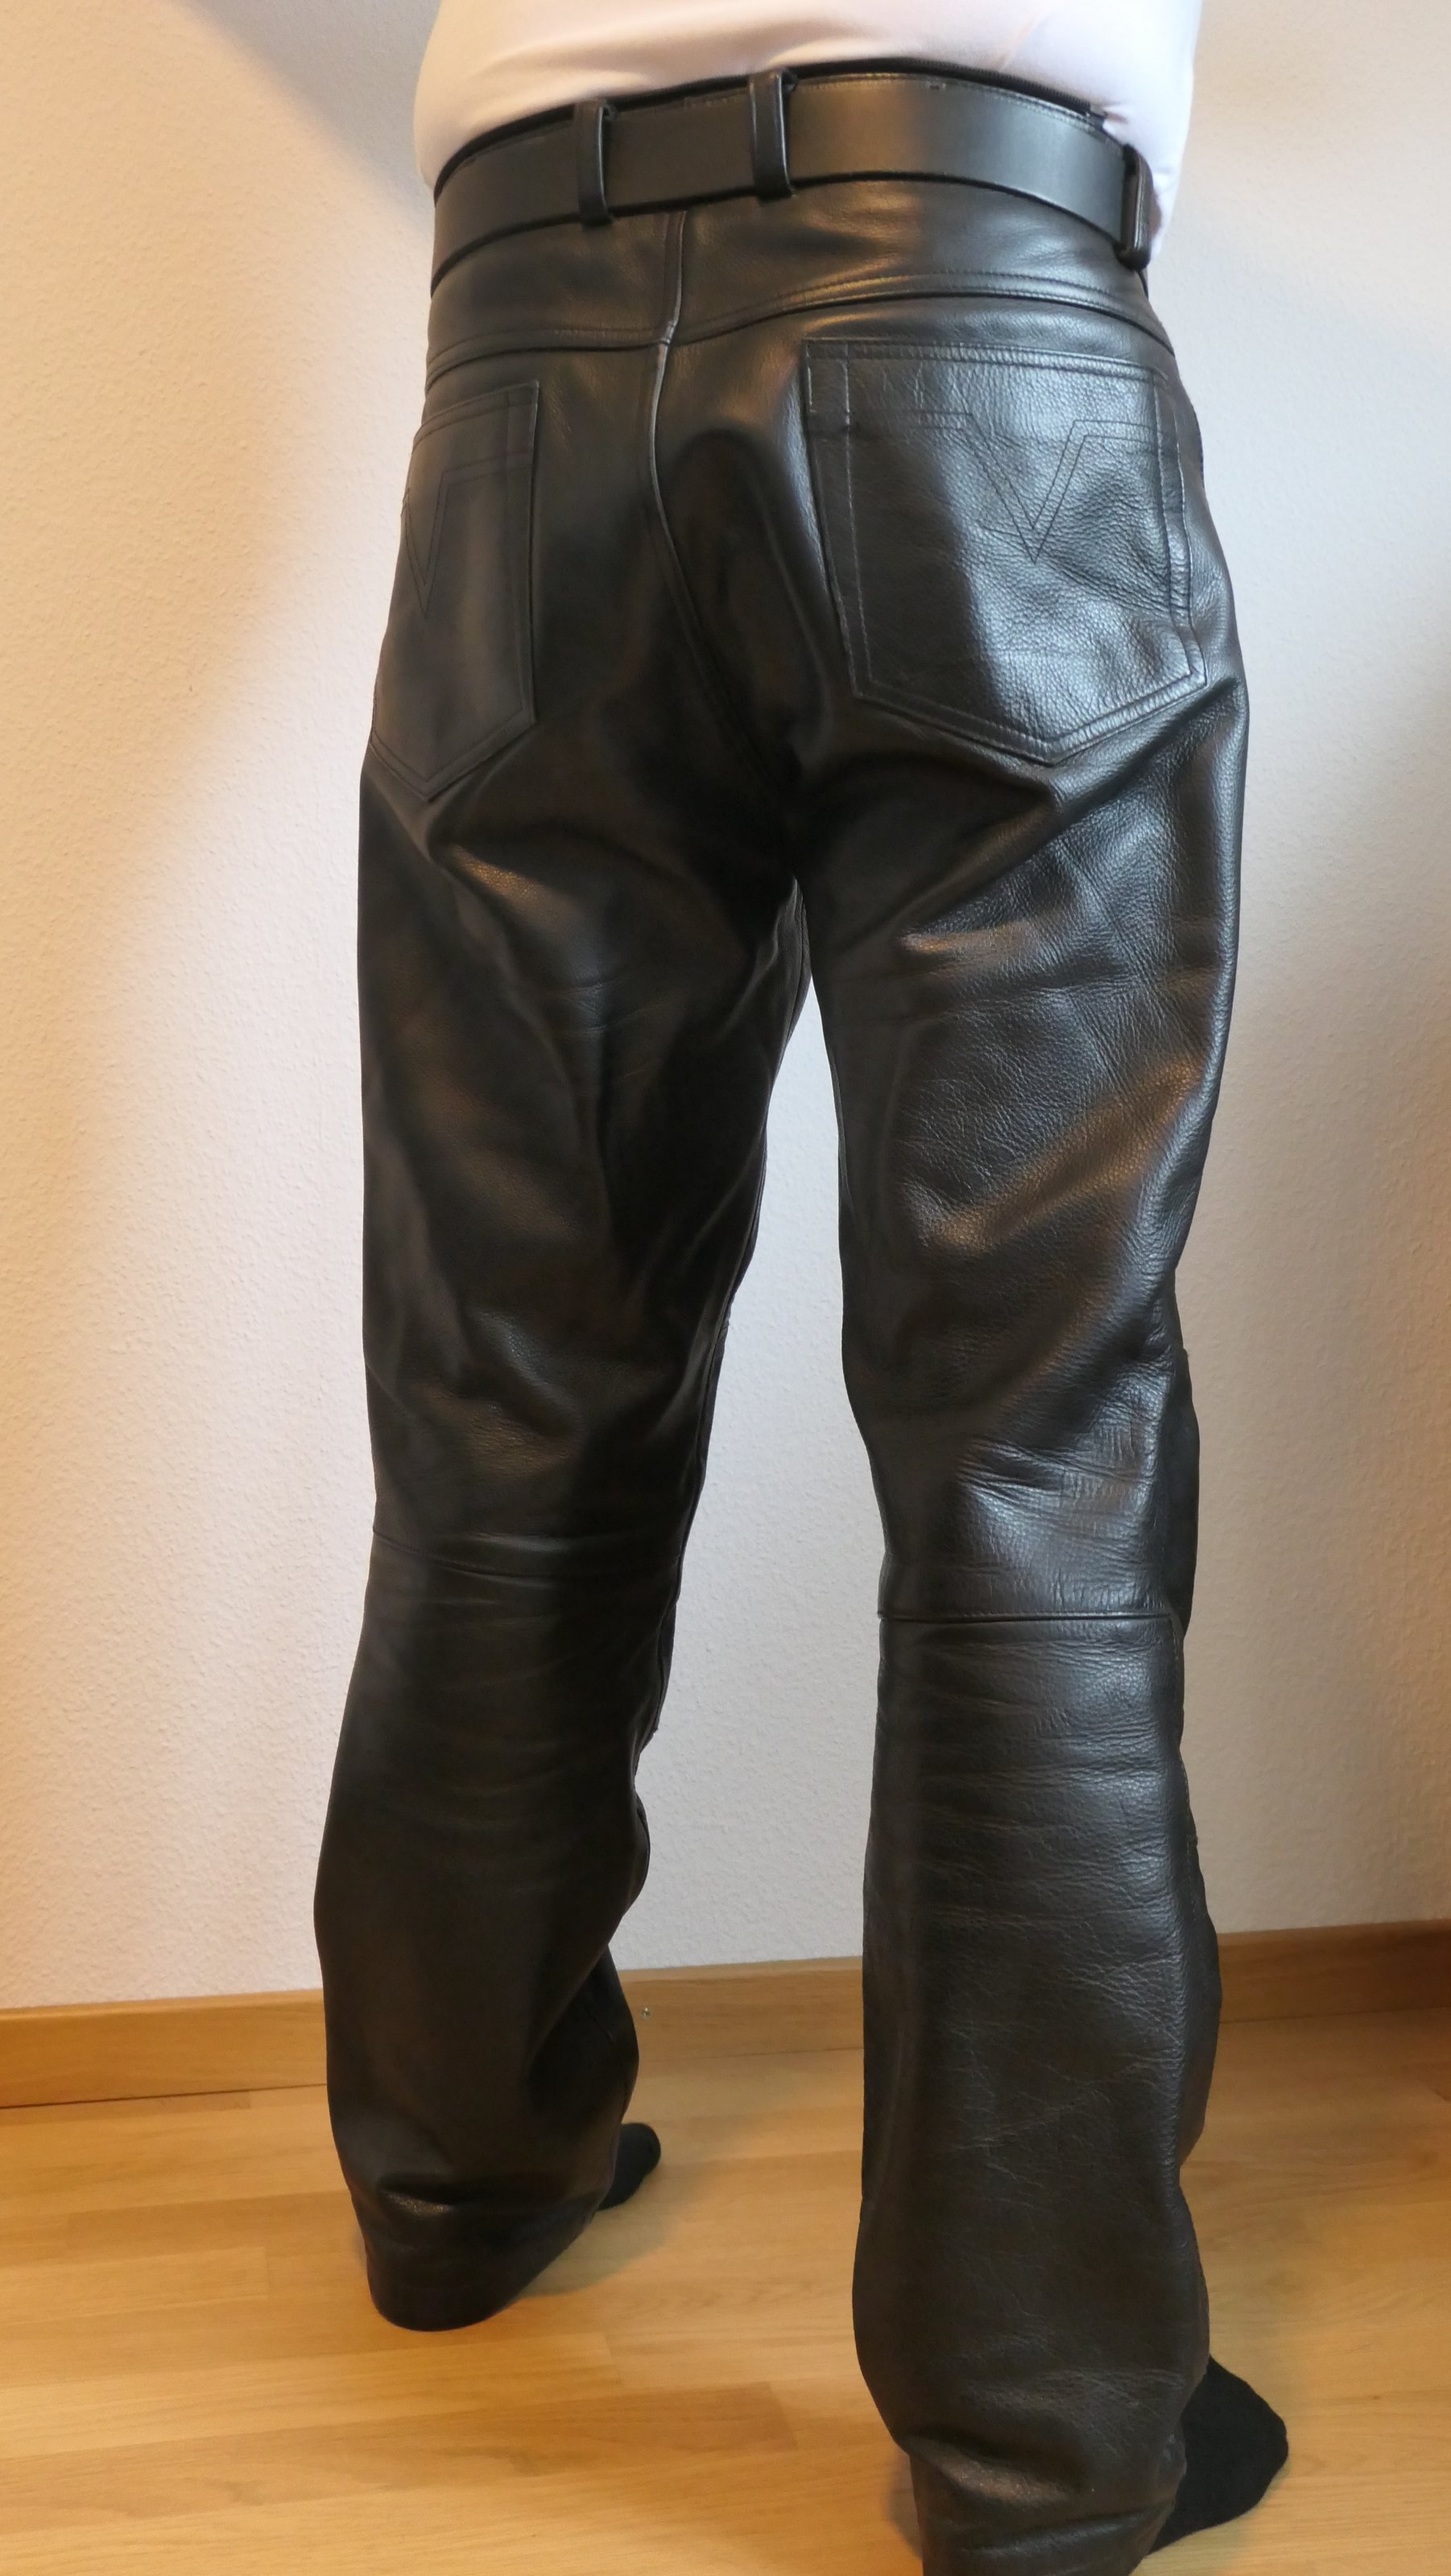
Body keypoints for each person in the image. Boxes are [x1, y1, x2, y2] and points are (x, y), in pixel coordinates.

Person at [314, 5, 1291, 2566]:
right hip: (971, 315)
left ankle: (461, 2176)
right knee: (1027, 1439)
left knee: (506, 1376)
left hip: (523, 373)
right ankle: (1040, 2430)